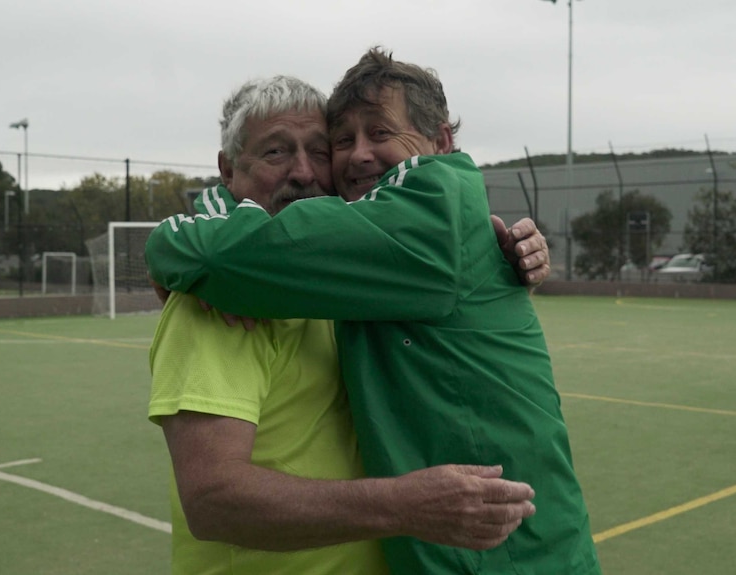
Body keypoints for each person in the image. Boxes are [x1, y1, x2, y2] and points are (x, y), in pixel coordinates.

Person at [147, 48, 599, 574]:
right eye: (341, 142)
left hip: (509, 557)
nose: (317, 167)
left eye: (377, 134)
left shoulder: (414, 227)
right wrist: (399, 505)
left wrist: (169, 244)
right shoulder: (241, 299)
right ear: (229, 168)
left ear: (442, 142)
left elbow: (228, 252)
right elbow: (214, 496)